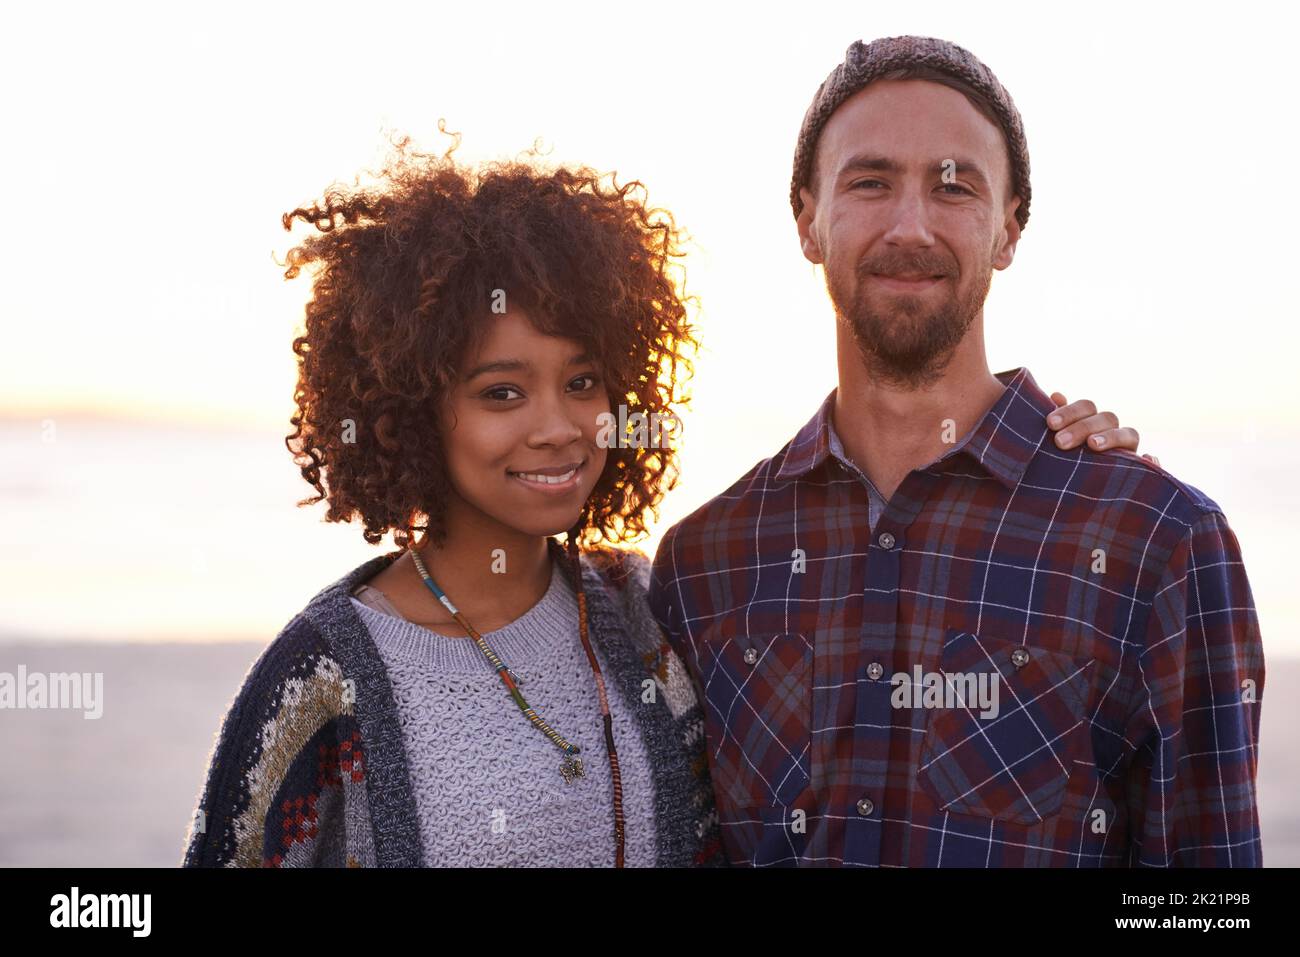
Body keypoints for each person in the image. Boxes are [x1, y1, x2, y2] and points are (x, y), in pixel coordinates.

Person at [182, 132, 1138, 869]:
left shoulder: (644, 615)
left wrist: (1043, 448)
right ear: (407, 409)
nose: (558, 427)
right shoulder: (326, 679)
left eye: (587, 382)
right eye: (501, 392)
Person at [647, 36, 1264, 867]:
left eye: (954, 187)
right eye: (870, 182)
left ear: (1008, 230)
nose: (911, 226)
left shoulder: (1156, 542)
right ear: (807, 220)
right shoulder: (703, 561)